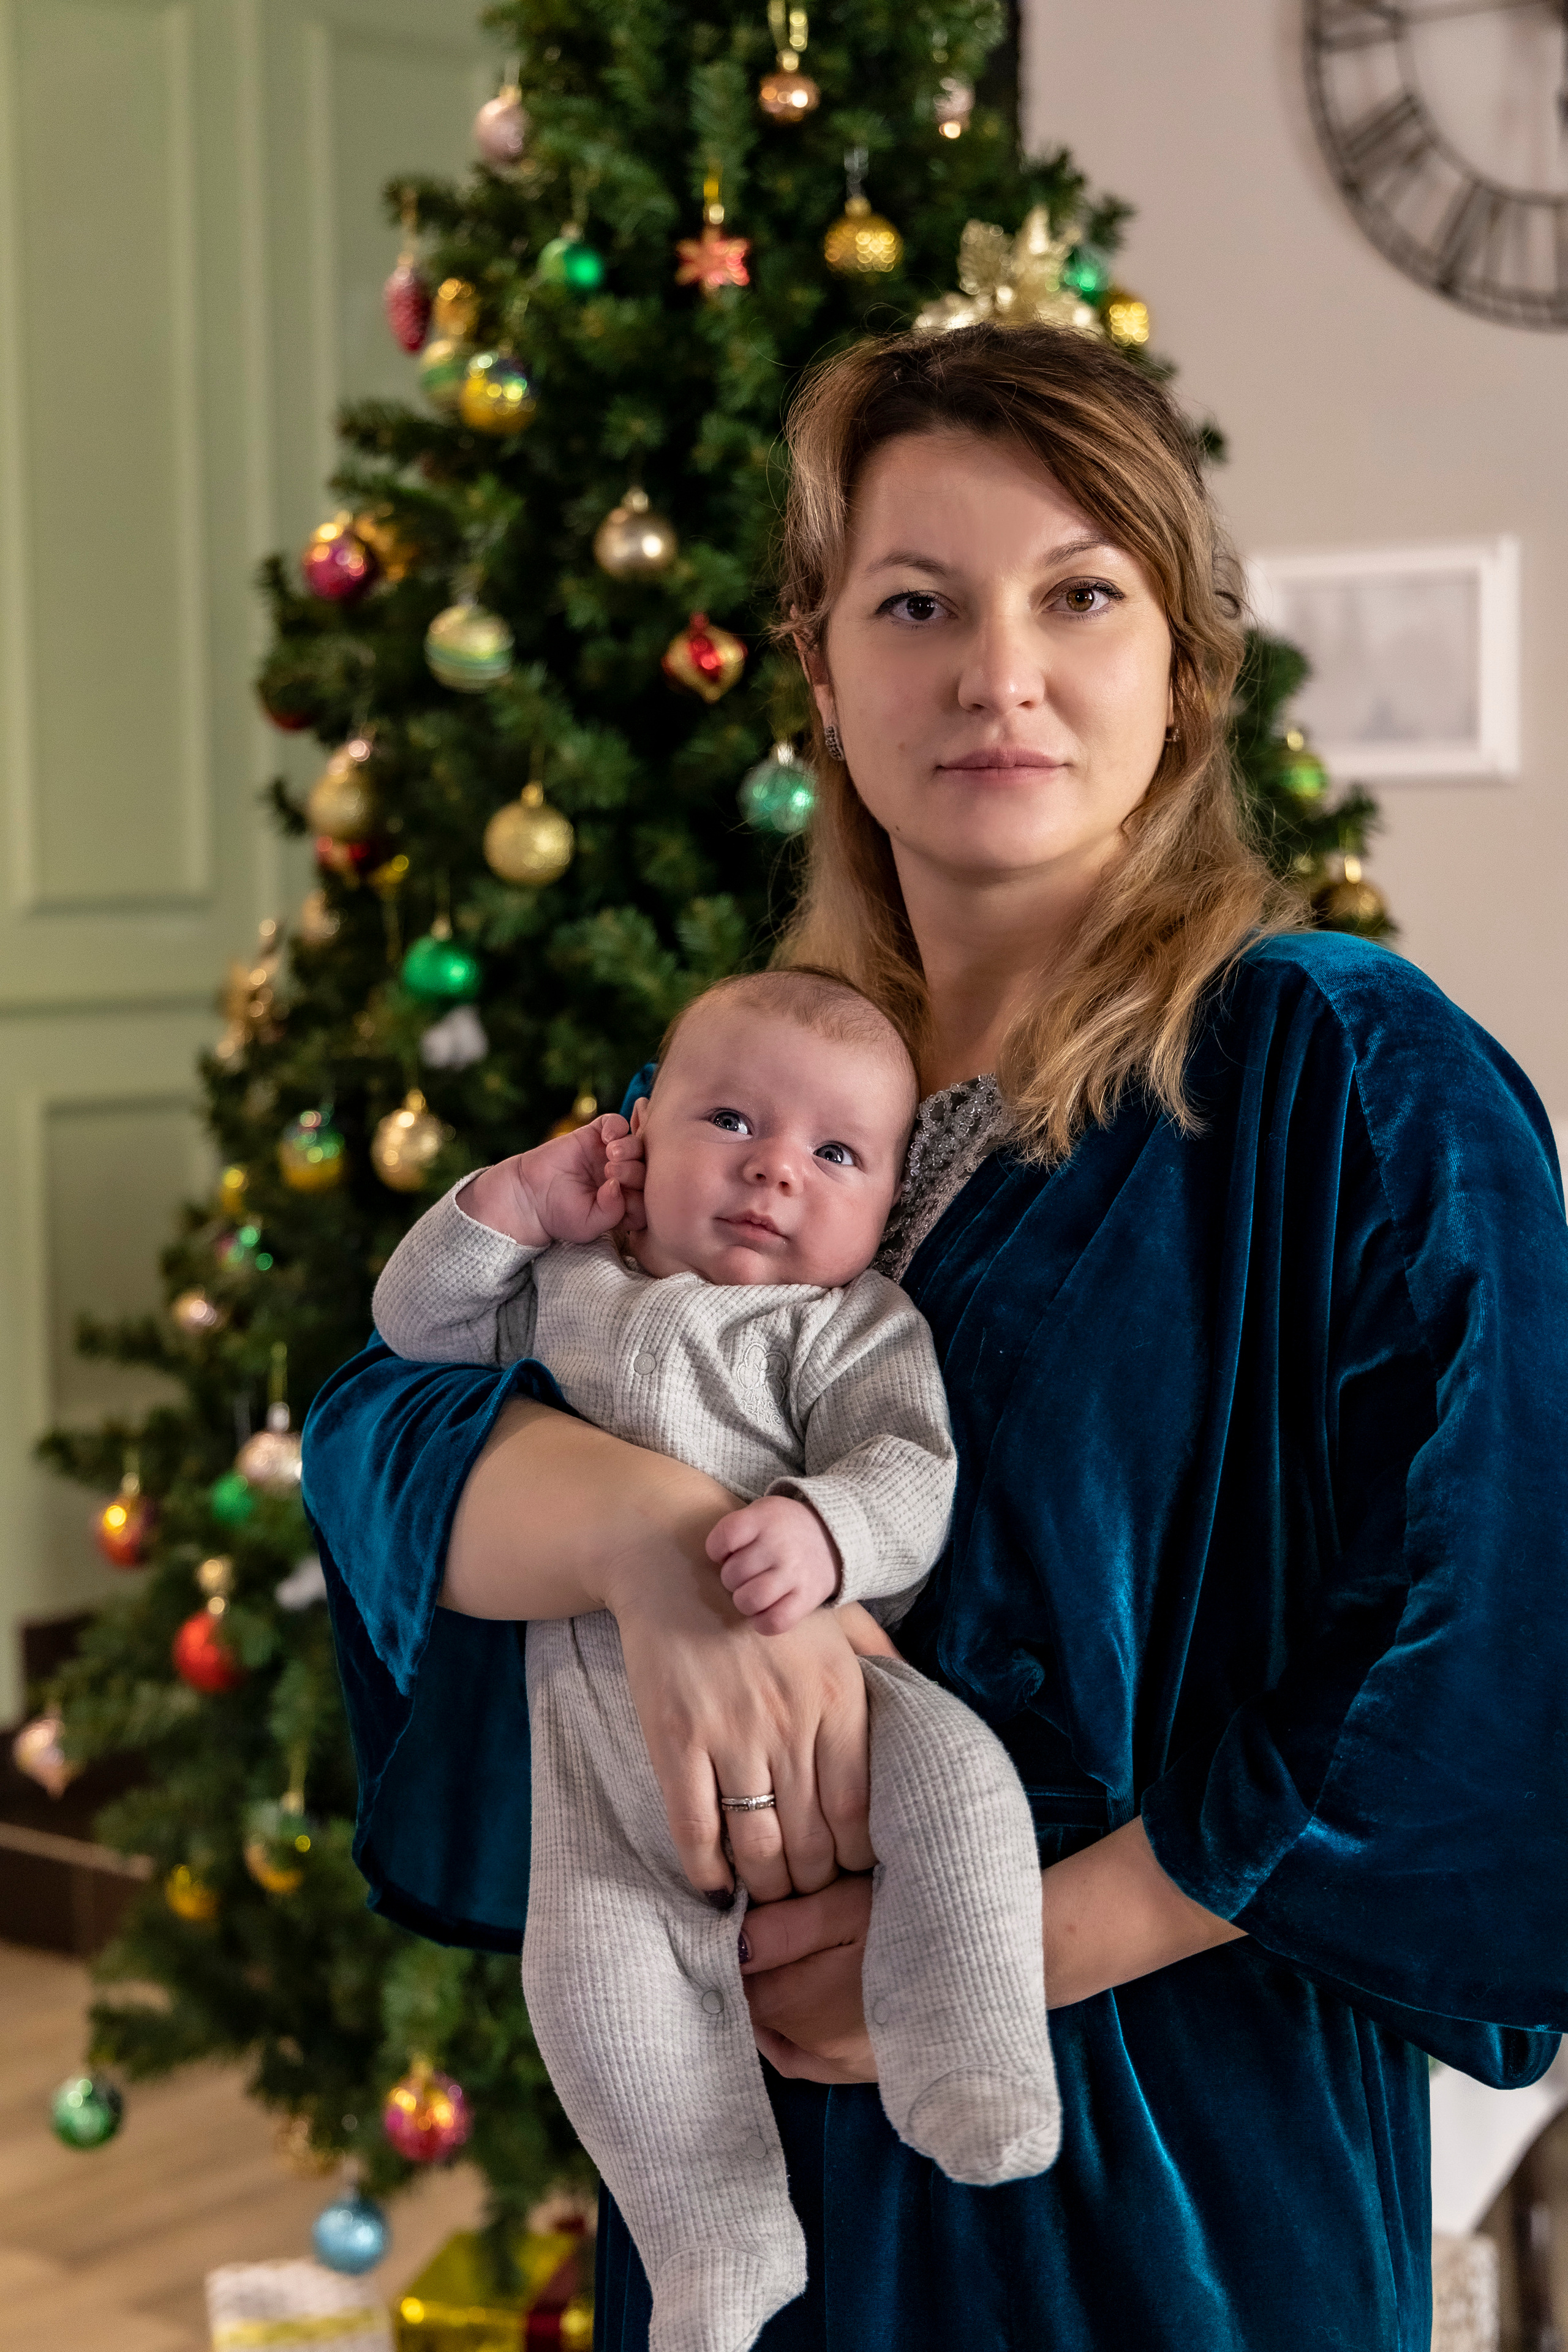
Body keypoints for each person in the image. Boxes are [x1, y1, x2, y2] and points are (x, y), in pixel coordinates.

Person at [302, 321, 1568, 2352]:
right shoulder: (749, 1104)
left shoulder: (1341, 1073)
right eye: (919, 604)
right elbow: (386, 1433)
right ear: (816, 666)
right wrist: (652, 1548)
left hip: (1150, 2173)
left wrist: (1003, 1951)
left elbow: (1491, 1619)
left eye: (1080, 595)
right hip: (756, 2189)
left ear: (1187, 657)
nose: (1000, 672)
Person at [368, 967, 1058, 2352]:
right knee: (594, 1997)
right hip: (599, 1767)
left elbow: (909, 1475)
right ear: (639, 1130)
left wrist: (823, 1527)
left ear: (887, 1206)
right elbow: (412, 1333)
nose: (772, 1173)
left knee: (967, 1790)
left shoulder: (852, 1324)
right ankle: (711, 2238)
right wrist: (511, 1204)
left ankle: (970, 2042)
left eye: (836, 1153)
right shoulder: (566, 1285)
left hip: (842, 1701)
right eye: (729, 1120)